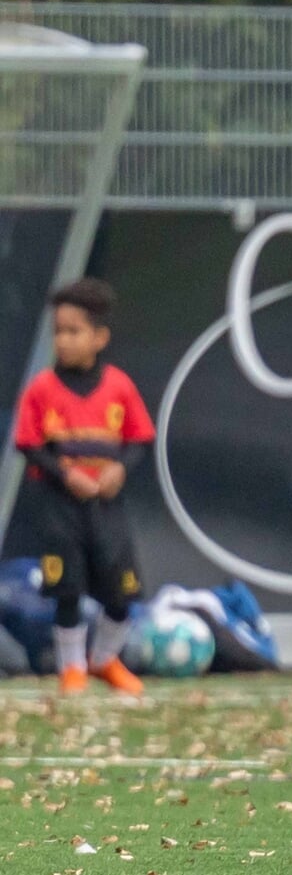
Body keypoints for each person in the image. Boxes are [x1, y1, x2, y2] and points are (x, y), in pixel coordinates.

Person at [11, 278, 152, 696]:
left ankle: (104, 660)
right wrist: (63, 473)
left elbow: (140, 438)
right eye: (58, 332)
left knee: (121, 592)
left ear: (99, 337)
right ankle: (72, 669)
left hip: (105, 506)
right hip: (60, 506)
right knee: (67, 588)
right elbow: (29, 444)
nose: (64, 341)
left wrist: (119, 471)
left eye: (74, 332)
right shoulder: (42, 389)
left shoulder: (119, 386)